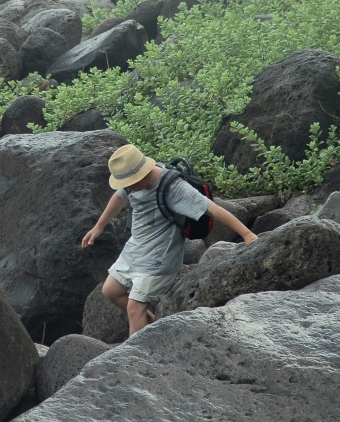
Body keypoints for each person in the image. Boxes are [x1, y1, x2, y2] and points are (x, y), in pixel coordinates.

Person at [82, 144, 258, 336]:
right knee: (111, 291)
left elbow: (212, 208)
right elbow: (118, 197)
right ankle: (147, 321)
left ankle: (136, 359)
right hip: (136, 248)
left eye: (129, 182)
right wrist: (99, 226)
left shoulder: (173, 188)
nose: (127, 187)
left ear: (141, 174)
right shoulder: (130, 184)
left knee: (134, 308)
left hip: (159, 257)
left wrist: (247, 234)